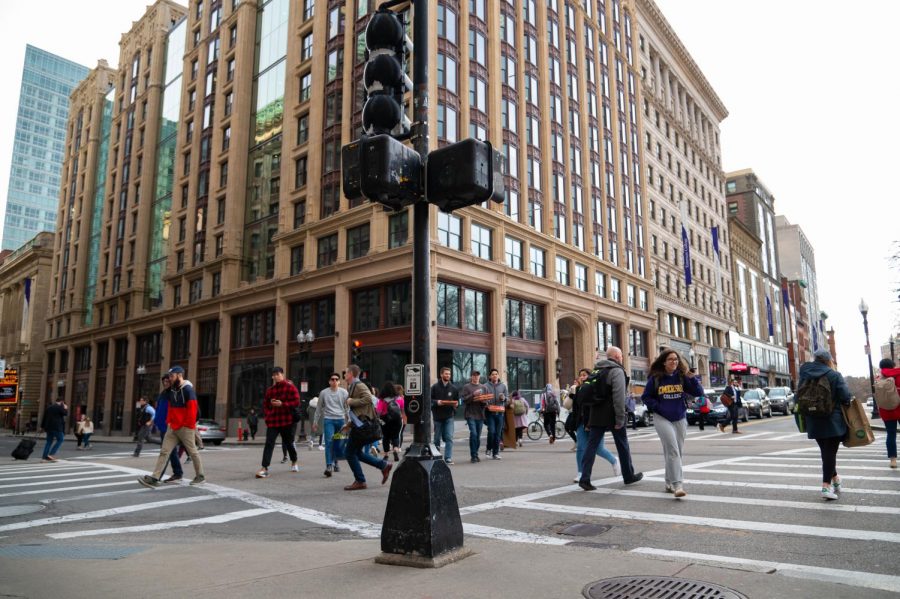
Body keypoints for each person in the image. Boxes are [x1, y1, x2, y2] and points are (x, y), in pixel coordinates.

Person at [642, 349, 703, 498]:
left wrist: (692, 378)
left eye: (676, 359)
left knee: (676, 452)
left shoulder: (682, 377)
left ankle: (668, 481)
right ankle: (678, 485)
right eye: (670, 359)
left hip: (680, 417)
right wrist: (658, 407)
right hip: (662, 418)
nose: (674, 362)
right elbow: (646, 397)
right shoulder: (656, 378)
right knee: (673, 450)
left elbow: (699, 392)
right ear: (664, 362)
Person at [579, 348, 642, 490]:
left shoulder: (597, 370)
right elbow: (619, 397)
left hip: (596, 414)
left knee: (591, 446)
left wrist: (588, 419)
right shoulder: (617, 371)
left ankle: (584, 478)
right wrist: (620, 418)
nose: (622, 359)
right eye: (621, 356)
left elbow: (589, 396)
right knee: (622, 444)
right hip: (612, 414)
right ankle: (628, 475)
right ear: (617, 356)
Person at [138, 366, 205, 487]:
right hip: (172, 427)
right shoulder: (173, 390)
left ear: (179, 375)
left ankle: (200, 476)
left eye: (172, 376)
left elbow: (193, 410)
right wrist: (169, 421)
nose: (170, 379)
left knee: (192, 451)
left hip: (185, 428)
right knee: (164, 452)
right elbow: (171, 409)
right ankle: (155, 478)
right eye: (169, 376)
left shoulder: (188, 390)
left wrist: (188, 426)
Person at [799, 349, 851, 500]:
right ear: (828, 360)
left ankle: (836, 480)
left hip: (813, 419)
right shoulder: (833, 375)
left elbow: (799, 395)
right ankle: (826, 487)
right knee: (829, 454)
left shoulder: (804, 374)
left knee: (826, 453)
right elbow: (845, 396)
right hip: (832, 420)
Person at [342, 365, 392, 491]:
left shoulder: (359, 385)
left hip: (362, 426)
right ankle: (383, 465)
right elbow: (359, 409)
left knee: (349, 453)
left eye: (346, 372)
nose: (344, 375)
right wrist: (349, 424)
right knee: (357, 453)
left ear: (351, 374)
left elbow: (368, 398)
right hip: (359, 424)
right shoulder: (352, 386)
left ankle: (360, 480)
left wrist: (351, 401)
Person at [572, 367, 619, 483]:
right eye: (580, 375)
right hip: (580, 423)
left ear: (590, 376)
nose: (582, 377)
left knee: (599, 449)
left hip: (594, 422)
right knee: (580, 448)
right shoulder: (577, 390)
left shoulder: (594, 389)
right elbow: (574, 408)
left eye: (584, 375)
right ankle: (580, 472)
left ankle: (614, 460)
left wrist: (589, 422)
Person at [254, 367, 301, 478]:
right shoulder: (270, 390)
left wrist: (282, 404)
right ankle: (264, 468)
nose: (275, 376)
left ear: (282, 374)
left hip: (286, 421)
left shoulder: (290, 387)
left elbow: (296, 402)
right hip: (273, 421)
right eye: (274, 375)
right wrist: (268, 416)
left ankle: (294, 461)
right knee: (269, 444)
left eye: (277, 374)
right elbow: (265, 404)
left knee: (289, 443)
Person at [314, 373, 349, 477]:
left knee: (338, 443)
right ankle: (329, 465)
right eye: (332, 379)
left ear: (339, 382)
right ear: (329, 381)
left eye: (336, 379)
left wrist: (350, 422)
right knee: (329, 441)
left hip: (341, 421)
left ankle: (336, 462)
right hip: (329, 420)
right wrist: (315, 422)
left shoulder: (344, 393)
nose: (334, 381)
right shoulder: (324, 393)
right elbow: (319, 408)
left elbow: (347, 408)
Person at [152, 374, 184, 483]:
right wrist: (155, 421)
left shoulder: (173, 393)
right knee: (171, 452)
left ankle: (157, 477)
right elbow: (159, 409)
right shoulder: (163, 394)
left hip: (169, 427)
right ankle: (178, 473)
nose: (165, 383)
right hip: (162, 427)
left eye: (167, 381)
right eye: (164, 381)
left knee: (165, 452)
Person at [431, 366, 459, 464]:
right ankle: (437, 457)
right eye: (446, 374)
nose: (448, 375)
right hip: (437, 417)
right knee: (436, 438)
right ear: (441, 374)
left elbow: (457, 401)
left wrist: (456, 405)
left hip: (449, 416)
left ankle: (448, 458)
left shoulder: (454, 388)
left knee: (449, 437)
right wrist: (437, 402)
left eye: (449, 374)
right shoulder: (434, 387)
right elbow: (429, 401)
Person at [877, 358, 900, 469]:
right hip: (899, 408)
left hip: (886, 410)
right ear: (893, 365)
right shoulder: (898, 374)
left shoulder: (879, 378)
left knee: (891, 434)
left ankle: (893, 460)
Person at [483, 368, 509, 460]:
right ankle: (489, 448)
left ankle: (496, 453)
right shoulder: (485, 386)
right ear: (490, 376)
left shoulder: (503, 386)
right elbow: (482, 399)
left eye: (496, 374)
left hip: (500, 413)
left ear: (498, 375)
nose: (495, 375)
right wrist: (486, 402)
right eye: (493, 374)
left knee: (498, 433)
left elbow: (507, 399)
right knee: (492, 432)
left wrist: (504, 398)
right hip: (490, 413)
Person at [461, 371, 487, 463]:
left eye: (477, 376)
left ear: (479, 377)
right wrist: (473, 394)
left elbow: (486, 402)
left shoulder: (484, 387)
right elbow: (464, 400)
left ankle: (475, 453)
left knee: (477, 436)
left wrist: (482, 400)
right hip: (470, 414)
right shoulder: (466, 387)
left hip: (480, 414)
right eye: (474, 376)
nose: (476, 377)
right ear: (471, 377)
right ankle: (473, 455)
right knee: (474, 434)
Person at [377, 381, 405, 462]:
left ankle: (386, 455)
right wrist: (403, 419)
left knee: (386, 437)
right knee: (395, 436)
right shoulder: (399, 398)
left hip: (384, 420)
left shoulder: (382, 400)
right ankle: (396, 449)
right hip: (397, 419)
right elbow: (402, 410)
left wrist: (378, 420)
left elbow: (379, 412)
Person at [40, 397, 67, 462]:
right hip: (57, 427)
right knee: (60, 439)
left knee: (49, 442)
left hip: (48, 428)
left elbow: (44, 417)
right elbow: (65, 413)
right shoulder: (59, 407)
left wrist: (42, 427)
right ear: (61, 402)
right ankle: (51, 454)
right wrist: (65, 408)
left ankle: (44, 457)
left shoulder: (49, 408)